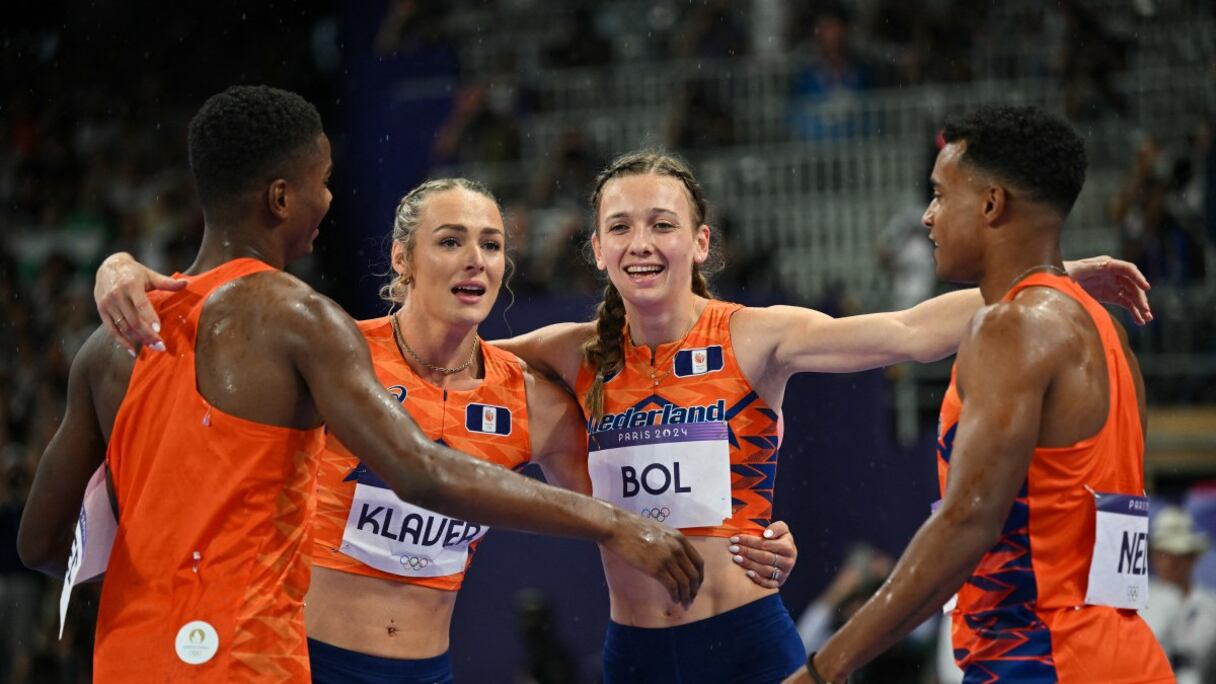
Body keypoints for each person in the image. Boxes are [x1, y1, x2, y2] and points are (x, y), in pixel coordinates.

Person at [99, 148, 1151, 683]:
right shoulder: (560, 361)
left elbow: (909, 331)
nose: (640, 241)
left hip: (750, 639)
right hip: (633, 654)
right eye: (618, 227)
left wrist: (1034, 277)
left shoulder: (759, 335)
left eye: (661, 223)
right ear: (595, 251)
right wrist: (148, 276)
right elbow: (399, 355)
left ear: (702, 241)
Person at [16, 86, 704, 682]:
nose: (329, 198)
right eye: (323, 180)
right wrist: (617, 526)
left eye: (492, 244)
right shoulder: (313, 330)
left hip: (138, 660)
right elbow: (425, 473)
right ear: (282, 198)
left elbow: (41, 544)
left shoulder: (111, 344)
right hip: (266, 659)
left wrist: (166, 606)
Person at [91, 176, 790, 683]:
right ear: (403, 259)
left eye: (490, 244)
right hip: (307, 659)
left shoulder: (531, 401)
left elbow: (636, 515)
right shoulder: (335, 358)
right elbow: (209, 336)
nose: (474, 261)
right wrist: (122, 270)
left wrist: (754, 541)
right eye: (450, 241)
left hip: (428, 670)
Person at [788, 106, 1174, 683]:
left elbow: (967, 523)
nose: (927, 216)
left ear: (992, 205)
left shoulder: (1009, 329)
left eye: (941, 196)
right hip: (1126, 653)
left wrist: (822, 670)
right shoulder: (1105, 331)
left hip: (1042, 661)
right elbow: (1114, 519)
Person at [1141, 506, 1216, 684]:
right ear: (1153, 557)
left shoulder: (1211, 606)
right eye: (1164, 554)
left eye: (1179, 554)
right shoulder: (1137, 604)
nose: (1171, 562)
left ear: (1192, 557)